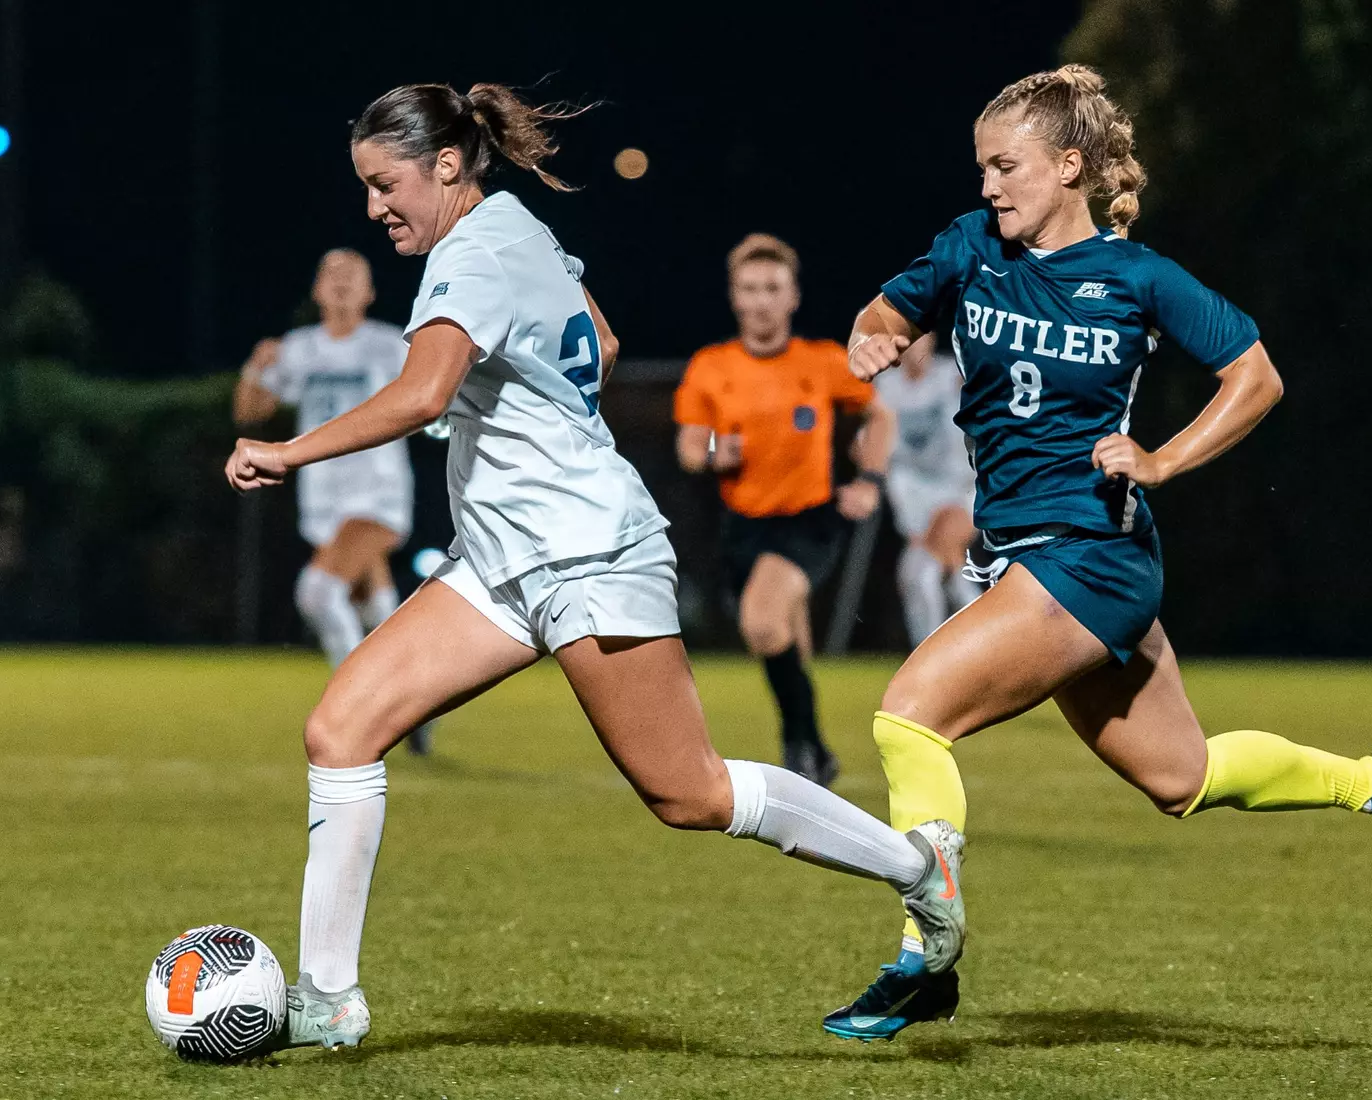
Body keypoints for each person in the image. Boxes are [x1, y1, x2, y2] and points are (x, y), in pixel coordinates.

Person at [223, 81, 965, 1051]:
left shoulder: (475, 253)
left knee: (687, 790)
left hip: (585, 552)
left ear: (447, 165)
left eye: (384, 182)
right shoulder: (518, 230)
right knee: (341, 725)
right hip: (501, 557)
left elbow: (422, 389)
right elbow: (602, 342)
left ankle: (918, 870)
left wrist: (286, 449)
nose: (374, 207)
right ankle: (325, 1000)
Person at [821, 65, 1372, 1042]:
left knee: (910, 714)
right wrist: (873, 335)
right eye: (982, 168)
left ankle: (927, 944)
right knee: (1183, 778)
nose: (988, 185)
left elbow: (1255, 376)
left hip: (1090, 554)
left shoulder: (1136, 278)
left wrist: (1162, 457)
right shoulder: (968, 248)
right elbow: (883, 312)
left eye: (1007, 166)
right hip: (1042, 558)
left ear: (1068, 165)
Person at [673, 235, 896, 785]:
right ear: (734, 296)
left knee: (762, 621)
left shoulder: (821, 362)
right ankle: (815, 750)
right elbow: (687, 448)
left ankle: (800, 750)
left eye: (773, 288)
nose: (762, 300)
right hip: (742, 527)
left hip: (809, 520)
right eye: (750, 289)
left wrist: (869, 479)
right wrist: (711, 453)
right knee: (782, 639)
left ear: (793, 296)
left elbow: (881, 419)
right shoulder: (711, 366)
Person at [232, 251, 433, 755]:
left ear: (370, 292)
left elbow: (433, 393)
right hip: (322, 497)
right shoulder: (298, 350)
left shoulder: (391, 345)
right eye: (331, 275)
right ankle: (418, 702)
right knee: (372, 604)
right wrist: (255, 370)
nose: (341, 283)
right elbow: (250, 412)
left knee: (318, 592)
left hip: (378, 492)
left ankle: (362, 707)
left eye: (353, 276)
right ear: (316, 290)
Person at [871, 333, 981, 646]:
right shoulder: (886, 386)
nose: (912, 347)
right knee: (922, 574)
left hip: (959, 489)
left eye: (919, 338)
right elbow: (871, 439)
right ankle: (947, 651)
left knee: (930, 568)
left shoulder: (951, 376)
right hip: (913, 498)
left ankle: (946, 653)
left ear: (931, 340)